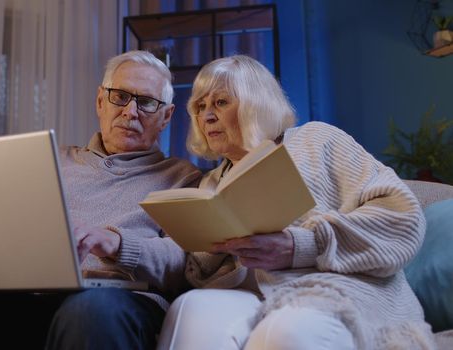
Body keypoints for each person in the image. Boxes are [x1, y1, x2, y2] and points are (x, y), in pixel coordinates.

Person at [0, 50, 201, 350]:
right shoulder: (45, 160)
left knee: (88, 310)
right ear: (101, 101)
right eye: (120, 97)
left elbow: (185, 263)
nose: (131, 111)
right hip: (20, 300)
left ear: (167, 116)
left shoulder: (182, 178)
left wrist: (115, 242)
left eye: (147, 102)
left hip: (113, 301)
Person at [156, 55, 436, 350]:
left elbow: (403, 220)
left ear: (256, 103)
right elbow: (201, 271)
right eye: (200, 107)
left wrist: (300, 246)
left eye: (221, 102)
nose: (207, 116)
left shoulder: (316, 140)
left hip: (337, 292)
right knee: (191, 308)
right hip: (255, 298)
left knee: (284, 331)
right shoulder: (211, 182)